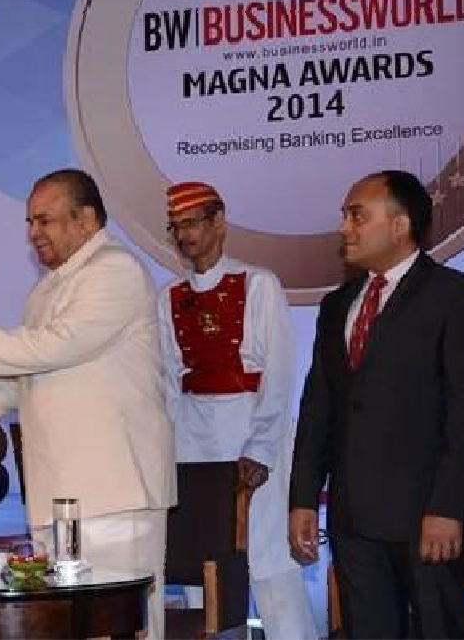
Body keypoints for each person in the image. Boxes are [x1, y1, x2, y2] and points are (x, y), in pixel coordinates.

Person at [0, 168, 176, 639]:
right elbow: (39, 376)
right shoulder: (47, 289)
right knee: (66, 628)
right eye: (29, 222)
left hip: (115, 493)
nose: (33, 232)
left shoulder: (116, 270)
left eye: (45, 220)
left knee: (121, 627)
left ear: (86, 220)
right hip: (58, 496)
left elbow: (55, 346)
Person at [288, 170, 464, 638]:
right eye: (345, 216)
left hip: (426, 516)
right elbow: (319, 406)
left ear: (400, 225)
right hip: (352, 516)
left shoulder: (458, 296)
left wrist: (448, 507)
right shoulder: (337, 305)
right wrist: (303, 497)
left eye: (357, 216)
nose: (344, 228)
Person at [158, 181, 318, 639]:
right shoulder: (168, 296)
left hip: (252, 433)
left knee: (270, 562)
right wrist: (169, 453)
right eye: (176, 227)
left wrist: (261, 448)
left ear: (219, 222)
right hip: (192, 443)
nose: (184, 235)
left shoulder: (259, 284)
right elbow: (167, 382)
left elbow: (279, 373)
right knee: (203, 564)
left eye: (192, 223)